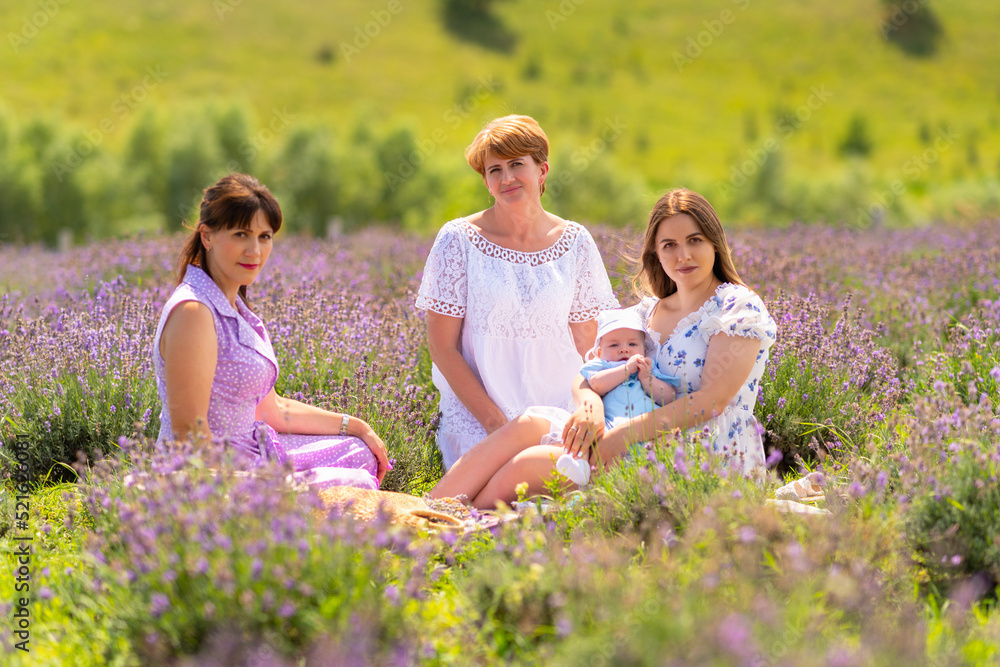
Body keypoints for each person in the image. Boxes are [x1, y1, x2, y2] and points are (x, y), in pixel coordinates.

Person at [431, 188, 777, 508]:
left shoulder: (735, 308)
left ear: (715, 243)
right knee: (526, 423)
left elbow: (711, 401)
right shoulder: (647, 312)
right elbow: (591, 370)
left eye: (694, 240)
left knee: (529, 463)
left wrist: (623, 436)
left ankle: (452, 527)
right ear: (656, 253)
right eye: (669, 244)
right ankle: (425, 510)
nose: (682, 255)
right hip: (629, 430)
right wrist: (588, 405)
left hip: (700, 449)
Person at [152, 173, 390, 489]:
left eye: (265, 237)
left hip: (254, 450)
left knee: (359, 452)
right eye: (240, 235)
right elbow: (189, 434)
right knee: (356, 484)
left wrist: (356, 427)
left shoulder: (233, 306)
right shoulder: (194, 312)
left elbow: (272, 409)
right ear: (207, 237)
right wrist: (263, 487)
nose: (255, 251)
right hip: (212, 474)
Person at [416, 115, 619, 470]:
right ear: (486, 182)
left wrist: (596, 408)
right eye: (494, 170)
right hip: (482, 420)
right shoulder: (458, 240)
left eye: (516, 165)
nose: (506, 178)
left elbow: (589, 342)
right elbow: (442, 348)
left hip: (560, 412)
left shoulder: (576, 242)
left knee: (575, 492)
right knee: (505, 501)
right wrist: (497, 426)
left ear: (542, 171)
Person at [547, 308, 680, 486]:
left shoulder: (650, 368)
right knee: (589, 436)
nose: (624, 349)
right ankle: (579, 466)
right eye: (614, 345)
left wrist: (648, 379)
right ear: (600, 352)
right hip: (609, 425)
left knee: (666, 441)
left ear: (644, 350)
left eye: (633, 345)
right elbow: (596, 384)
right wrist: (626, 370)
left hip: (646, 428)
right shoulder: (601, 366)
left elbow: (669, 397)